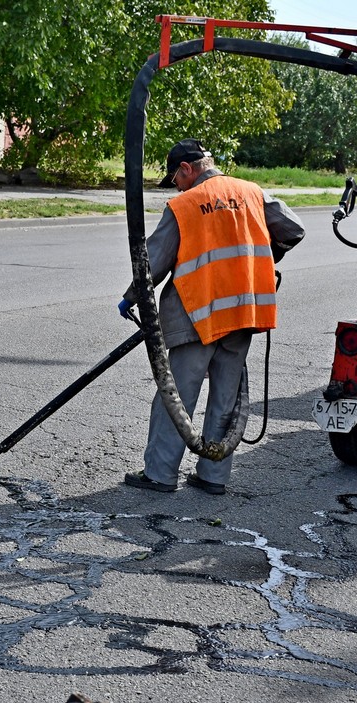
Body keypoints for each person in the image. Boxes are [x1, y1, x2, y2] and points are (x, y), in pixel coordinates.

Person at [120, 138, 306, 495]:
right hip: (244, 312)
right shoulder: (252, 192)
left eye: (175, 176)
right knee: (226, 398)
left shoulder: (185, 205)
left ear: (187, 169)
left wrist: (132, 297)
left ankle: (159, 475)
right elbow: (293, 229)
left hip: (197, 316)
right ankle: (213, 477)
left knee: (176, 398)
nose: (175, 184)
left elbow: (154, 262)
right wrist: (267, 255)